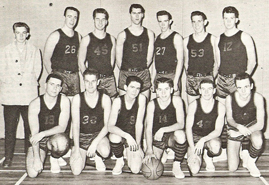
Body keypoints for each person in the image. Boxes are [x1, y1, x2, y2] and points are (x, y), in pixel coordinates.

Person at [0, 22, 42, 167]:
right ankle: (8, 157)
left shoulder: (34, 50)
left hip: (28, 95)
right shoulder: (5, 51)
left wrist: (26, 82)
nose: (21, 36)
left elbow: (37, 70)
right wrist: (14, 82)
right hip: (11, 95)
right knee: (10, 128)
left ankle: (29, 156)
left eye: (24, 33)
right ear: (14, 34)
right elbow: (2, 71)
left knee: (29, 128)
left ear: (28, 34)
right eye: (18, 33)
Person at [26, 74, 70, 177]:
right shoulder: (35, 104)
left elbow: (62, 127)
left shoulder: (64, 101)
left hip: (55, 137)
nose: (54, 88)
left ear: (60, 89)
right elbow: (34, 134)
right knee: (33, 173)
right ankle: (46, 154)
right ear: (45, 85)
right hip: (38, 140)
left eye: (58, 86)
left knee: (61, 142)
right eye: (52, 84)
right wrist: (37, 158)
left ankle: (54, 157)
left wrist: (43, 133)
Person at [70, 68, 111, 175]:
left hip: (98, 135)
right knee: (76, 171)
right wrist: (77, 149)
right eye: (87, 81)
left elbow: (107, 125)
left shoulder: (105, 98)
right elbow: (76, 126)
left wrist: (94, 143)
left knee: (105, 152)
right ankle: (81, 152)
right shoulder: (77, 98)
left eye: (93, 81)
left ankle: (98, 156)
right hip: (82, 136)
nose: (90, 85)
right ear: (83, 82)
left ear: (98, 82)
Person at [144, 77, 187, 179]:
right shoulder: (152, 104)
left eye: (166, 89)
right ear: (156, 91)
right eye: (160, 90)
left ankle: (176, 164)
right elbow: (148, 129)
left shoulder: (177, 100)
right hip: (158, 138)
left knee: (181, 134)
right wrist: (149, 149)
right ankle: (163, 152)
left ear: (171, 90)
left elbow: (181, 124)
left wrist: (163, 129)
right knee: (152, 165)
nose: (163, 93)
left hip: (172, 136)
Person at [226, 73, 264, 177]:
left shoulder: (258, 98)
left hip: (251, 126)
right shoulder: (229, 98)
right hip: (236, 126)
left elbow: (260, 124)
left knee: (258, 140)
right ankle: (244, 148)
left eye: (246, 87)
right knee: (232, 168)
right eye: (239, 87)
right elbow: (229, 119)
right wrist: (238, 127)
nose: (243, 91)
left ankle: (251, 162)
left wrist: (241, 132)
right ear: (236, 88)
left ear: (251, 86)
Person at [216, 6, 256, 104]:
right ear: (223, 20)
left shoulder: (245, 36)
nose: (228, 21)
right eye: (226, 18)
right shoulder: (218, 39)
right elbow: (218, 62)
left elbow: (253, 61)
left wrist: (243, 80)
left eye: (231, 18)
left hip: (238, 79)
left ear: (236, 20)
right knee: (221, 112)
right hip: (222, 80)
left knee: (237, 111)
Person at [108, 76, 146, 175]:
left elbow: (139, 123)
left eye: (138, 88)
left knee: (135, 169)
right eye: (132, 87)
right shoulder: (118, 101)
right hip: (121, 136)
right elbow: (110, 126)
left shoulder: (141, 99)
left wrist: (138, 145)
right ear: (125, 87)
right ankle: (119, 160)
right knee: (114, 137)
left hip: (133, 138)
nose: (135, 91)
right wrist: (126, 136)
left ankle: (128, 151)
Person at [185, 79, 225, 174]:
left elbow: (218, 130)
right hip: (194, 138)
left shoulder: (220, 106)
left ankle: (208, 157)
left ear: (214, 90)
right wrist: (192, 148)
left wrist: (203, 140)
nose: (206, 92)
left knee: (215, 147)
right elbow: (188, 128)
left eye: (209, 89)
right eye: (203, 89)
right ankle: (195, 154)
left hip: (210, 138)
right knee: (194, 170)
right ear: (200, 91)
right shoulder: (193, 105)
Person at [116, 4, 155, 99]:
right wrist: (128, 71)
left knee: (143, 105)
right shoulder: (122, 34)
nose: (137, 16)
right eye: (134, 13)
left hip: (142, 72)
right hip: (126, 73)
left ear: (143, 15)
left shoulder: (149, 33)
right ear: (130, 14)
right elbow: (118, 60)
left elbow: (149, 59)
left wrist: (140, 69)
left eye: (139, 13)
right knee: (124, 106)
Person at [78, 8, 117, 98]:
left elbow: (112, 62)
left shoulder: (112, 39)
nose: (100, 22)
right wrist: (88, 79)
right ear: (94, 20)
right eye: (97, 19)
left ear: (106, 21)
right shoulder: (86, 39)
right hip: (94, 80)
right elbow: (80, 62)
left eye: (103, 19)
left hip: (109, 78)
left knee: (112, 108)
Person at [44, 6, 81, 98]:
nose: (72, 20)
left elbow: (79, 58)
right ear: (64, 17)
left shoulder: (78, 36)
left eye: (75, 17)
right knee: (60, 105)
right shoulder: (55, 35)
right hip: (59, 74)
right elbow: (46, 59)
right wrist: (54, 77)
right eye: (69, 16)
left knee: (75, 105)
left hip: (74, 76)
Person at [183, 11, 218, 104]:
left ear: (205, 22)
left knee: (207, 108)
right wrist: (191, 76)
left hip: (207, 77)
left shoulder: (213, 39)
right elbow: (186, 62)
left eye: (199, 21)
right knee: (192, 109)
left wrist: (211, 78)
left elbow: (217, 63)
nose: (196, 25)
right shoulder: (186, 40)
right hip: (192, 78)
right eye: (194, 22)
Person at [152, 10, 183, 96]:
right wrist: (152, 79)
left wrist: (176, 80)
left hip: (171, 75)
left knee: (175, 104)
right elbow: (155, 61)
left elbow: (180, 61)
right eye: (160, 21)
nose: (162, 24)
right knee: (160, 105)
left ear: (170, 21)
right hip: (159, 76)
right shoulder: (157, 39)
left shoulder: (176, 37)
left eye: (165, 21)